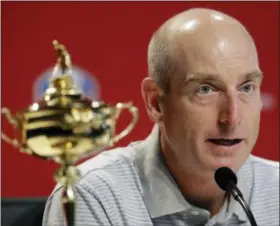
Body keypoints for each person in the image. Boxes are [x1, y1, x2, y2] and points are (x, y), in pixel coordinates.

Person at [42, 8, 279, 226]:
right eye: (205, 89)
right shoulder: (95, 197)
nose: (232, 118)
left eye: (246, 87)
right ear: (155, 103)